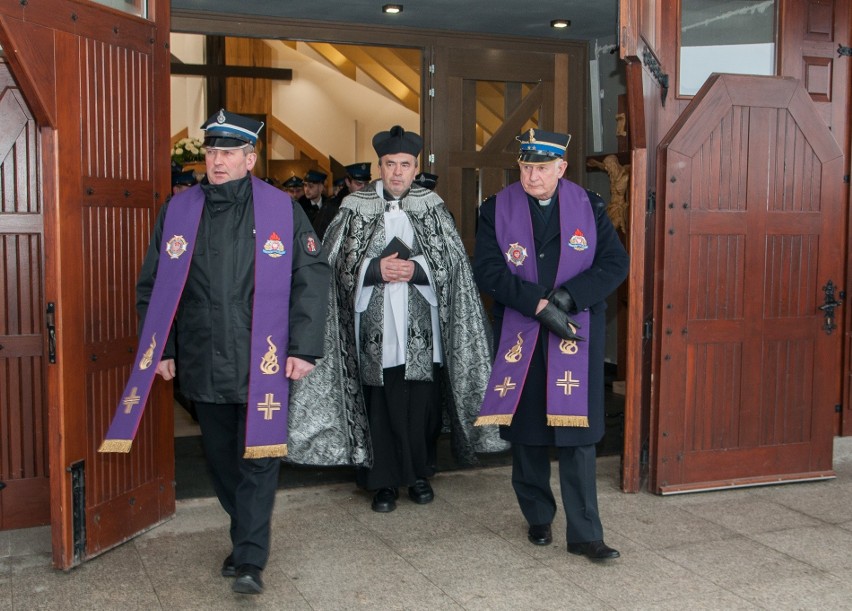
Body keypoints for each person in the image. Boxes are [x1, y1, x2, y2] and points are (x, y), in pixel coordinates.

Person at [136, 110, 330, 594]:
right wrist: (161, 348)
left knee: (259, 458)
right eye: (210, 152)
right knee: (220, 459)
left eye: (227, 153)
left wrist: (304, 348)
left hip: (262, 359)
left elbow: (310, 278)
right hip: (203, 356)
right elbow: (154, 286)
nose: (216, 162)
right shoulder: (178, 211)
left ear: (250, 157)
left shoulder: (281, 209)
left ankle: (249, 559)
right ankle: (244, 531)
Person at [291, 125, 505, 513]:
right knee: (379, 403)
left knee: (419, 404)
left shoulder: (432, 207)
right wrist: (373, 270)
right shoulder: (354, 208)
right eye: (390, 164)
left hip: (421, 326)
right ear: (380, 165)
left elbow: (454, 265)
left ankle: (419, 474)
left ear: (415, 166)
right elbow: (333, 263)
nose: (397, 173)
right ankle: (382, 482)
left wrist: (417, 271)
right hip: (372, 327)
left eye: (405, 165)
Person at [473, 128, 628, 561]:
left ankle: (586, 535)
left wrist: (567, 297)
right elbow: (487, 269)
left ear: (561, 168)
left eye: (541, 168)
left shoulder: (589, 207)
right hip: (521, 333)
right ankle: (538, 515)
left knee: (577, 436)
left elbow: (616, 263)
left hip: (573, 333)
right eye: (525, 167)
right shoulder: (495, 210)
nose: (532, 176)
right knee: (528, 435)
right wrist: (538, 304)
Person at [298, 169, 338, 239]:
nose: (306, 189)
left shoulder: (329, 205)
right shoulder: (300, 205)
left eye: (311, 186)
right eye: (305, 185)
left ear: (321, 187)